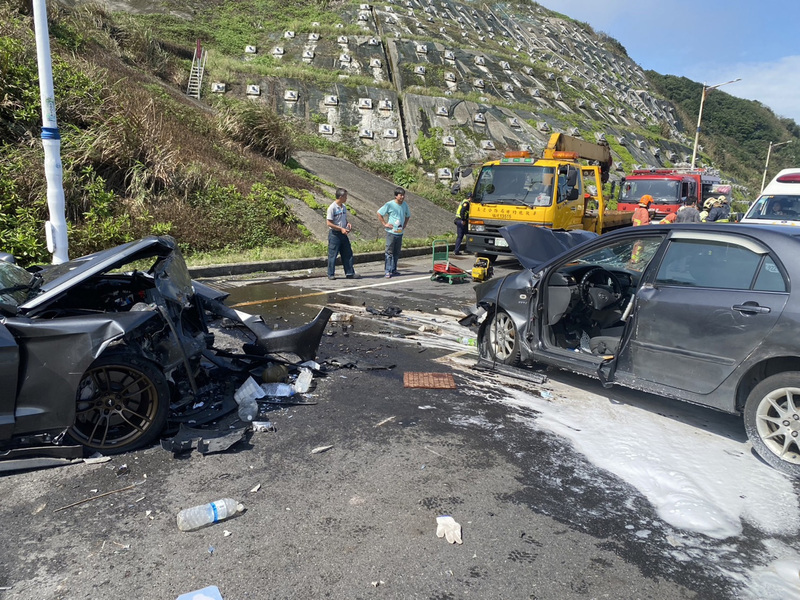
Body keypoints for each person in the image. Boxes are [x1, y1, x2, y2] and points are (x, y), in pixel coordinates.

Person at [326, 188, 360, 280]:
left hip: (343, 234)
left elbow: (343, 219)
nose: (346, 198)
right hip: (335, 234)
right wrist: (340, 228)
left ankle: (350, 273)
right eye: (345, 196)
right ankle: (330, 274)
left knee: (348, 253)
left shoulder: (343, 207)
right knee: (333, 255)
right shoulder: (332, 208)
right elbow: (329, 223)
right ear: (340, 197)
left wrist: (347, 224)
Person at [377, 187, 411, 278]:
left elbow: (408, 215)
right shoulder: (390, 204)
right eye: (400, 195)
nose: (402, 197)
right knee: (389, 252)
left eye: (403, 195)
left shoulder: (405, 205)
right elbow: (379, 213)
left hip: (400, 232)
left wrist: (405, 224)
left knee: (396, 252)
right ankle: (387, 270)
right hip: (391, 232)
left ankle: (393, 269)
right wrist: (385, 224)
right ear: (396, 196)